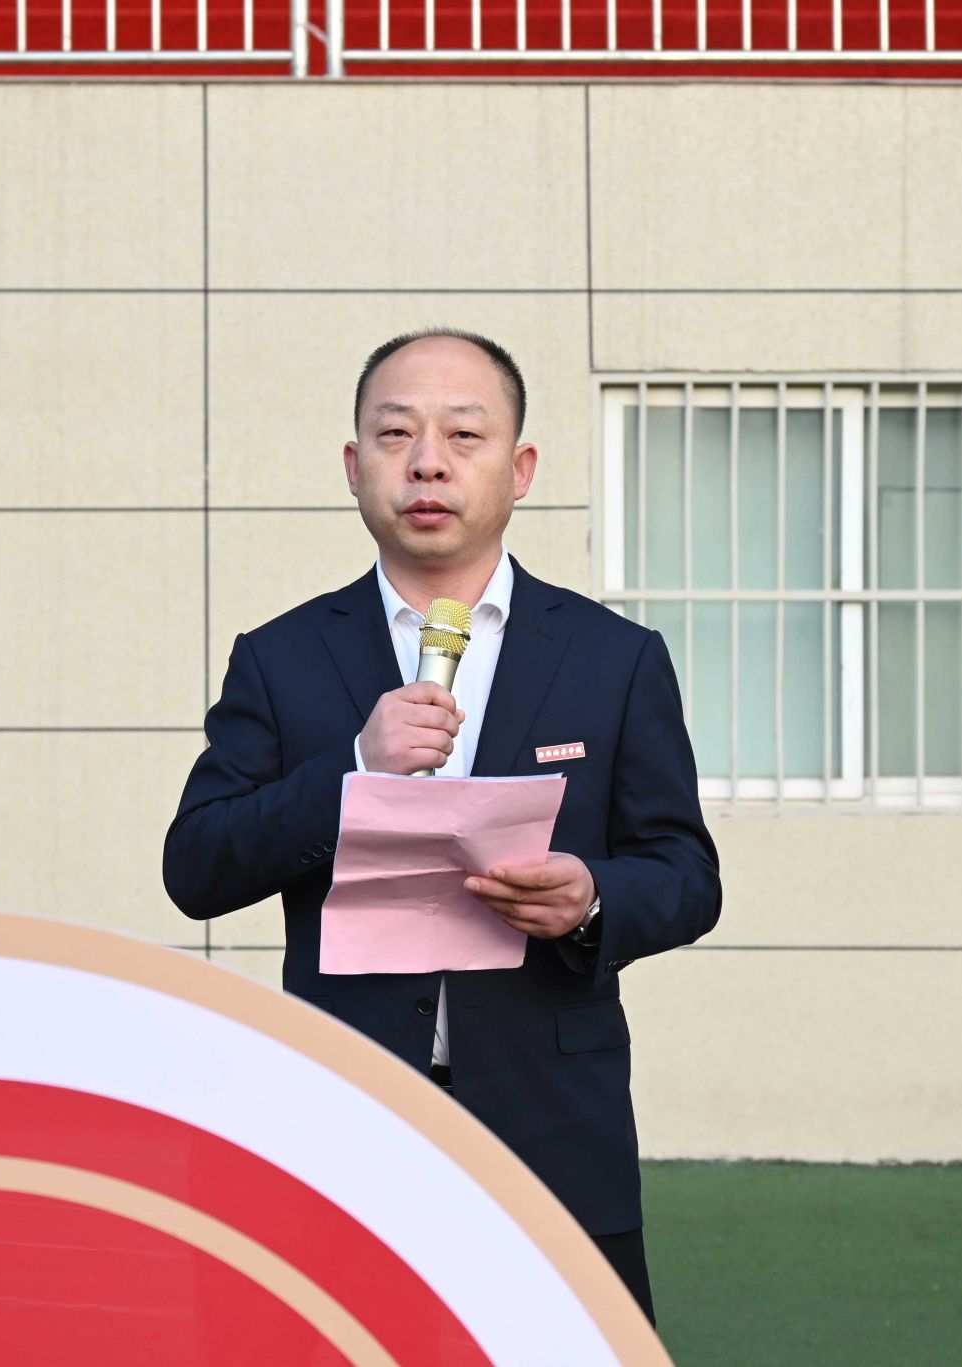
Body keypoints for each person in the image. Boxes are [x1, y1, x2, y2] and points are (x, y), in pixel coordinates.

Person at [163, 328, 720, 1321]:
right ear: (353, 466)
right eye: (396, 434)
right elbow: (196, 864)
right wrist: (351, 770)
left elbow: (684, 871)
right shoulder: (281, 656)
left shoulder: (613, 657)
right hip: (347, 1118)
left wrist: (592, 897)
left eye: (464, 434)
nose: (427, 461)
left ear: (520, 469)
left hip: (554, 1125)